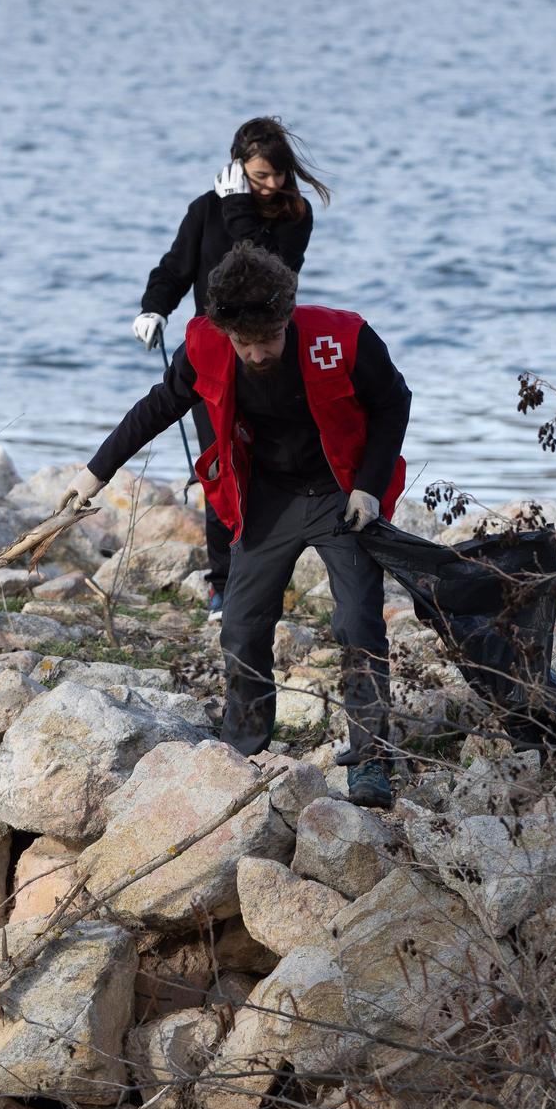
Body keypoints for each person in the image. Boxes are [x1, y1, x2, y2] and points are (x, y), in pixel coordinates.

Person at [72, 242, 410, 808]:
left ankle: (371, 758)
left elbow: (394, 402)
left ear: (288, 314)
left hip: (338, 490)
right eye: (243, 343)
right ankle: (246, 747)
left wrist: (369, 488)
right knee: (241, 625)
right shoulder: (205, 341)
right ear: (223, 327)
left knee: (357, 622)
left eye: (268, 339)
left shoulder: (344, 336)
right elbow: (160, 406)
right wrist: (94, 473)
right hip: (266, 498)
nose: (256, 354)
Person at [132, 118, 328, 620]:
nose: (274, 185)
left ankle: (265, 571)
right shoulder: (205, 209)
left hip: (267, 359)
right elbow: (175, 268)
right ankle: (224, 582)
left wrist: (240, 206)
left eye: (280, 174)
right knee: (220, 464)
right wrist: (154, 307)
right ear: (238, 167)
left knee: (265, 461)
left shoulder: (295, 214)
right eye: (261, 175)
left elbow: (265, 275)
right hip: (213, 357)